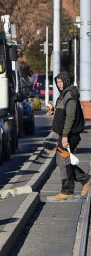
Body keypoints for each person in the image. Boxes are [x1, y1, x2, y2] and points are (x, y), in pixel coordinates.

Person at [49, 71, 90, 200]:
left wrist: (65, 135)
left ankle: (67, 191)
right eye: (57, 82)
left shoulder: (70, 96)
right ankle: (85, 180)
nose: (59, 84)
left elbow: (70, 117)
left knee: (63, 161)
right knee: (62, 161)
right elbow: (64, 114)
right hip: (65, 133)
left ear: (66, 81)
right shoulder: (65, 94)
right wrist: (54, 112)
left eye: (61, 82)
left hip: (69, 134)